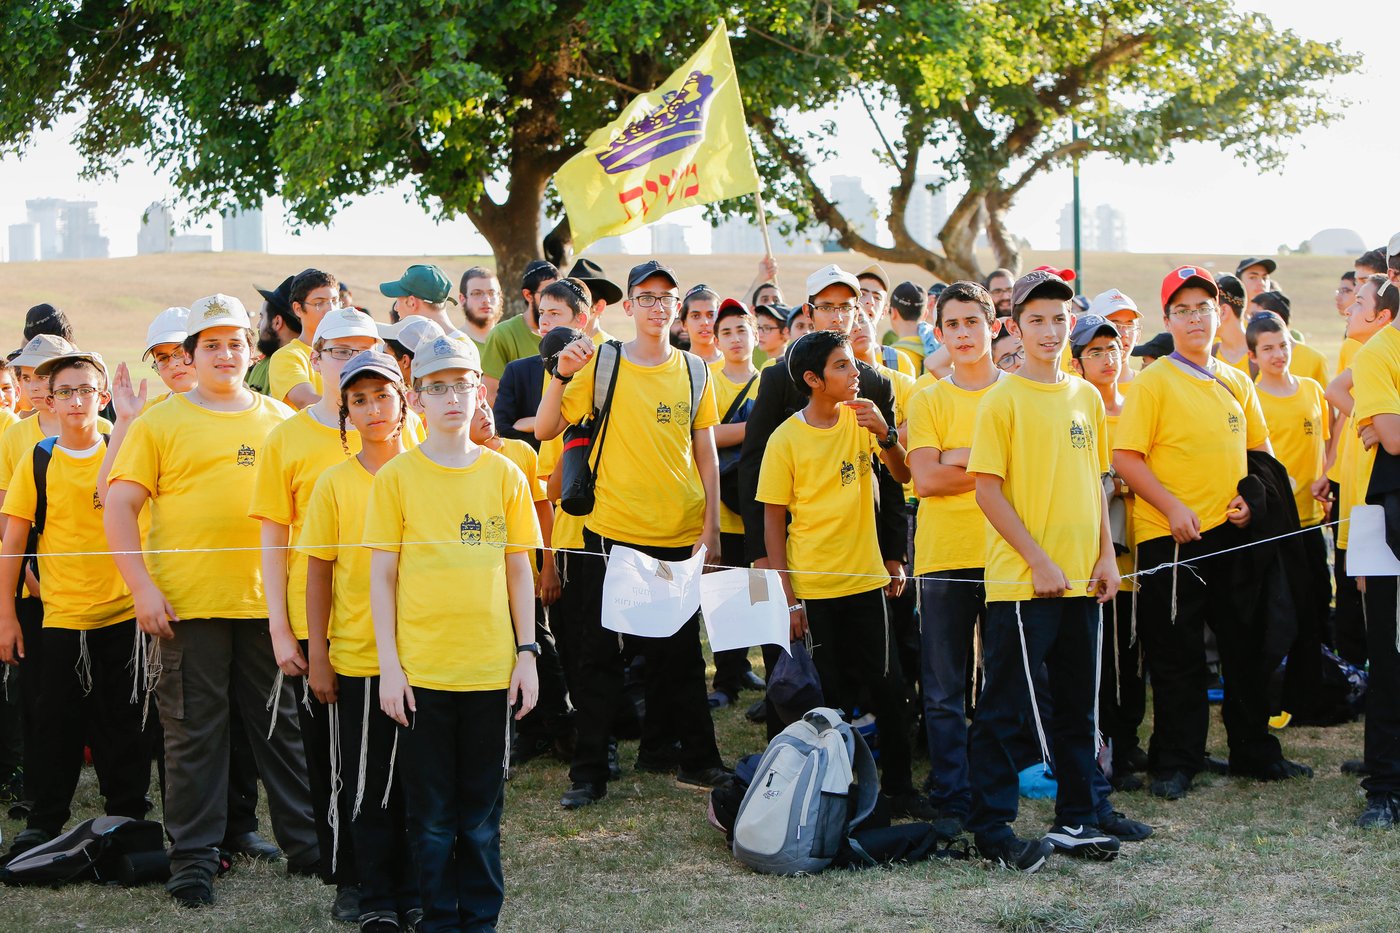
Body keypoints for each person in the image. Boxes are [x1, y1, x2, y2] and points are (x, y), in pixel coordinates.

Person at [105, 294, 317, 907]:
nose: (225, 354)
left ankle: (309, 848)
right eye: (212, 345)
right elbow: (119, 507)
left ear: (252, 352)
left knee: (279, 730)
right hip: (186, 608)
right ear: (191, 355)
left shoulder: (281, 420)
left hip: (267, 609)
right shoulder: (160, 423)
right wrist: (141, 588)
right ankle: (193, 858)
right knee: (193, 734)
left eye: (235, 343)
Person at [535, 259, 730, 809]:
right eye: (645, 297)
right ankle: (589, 772)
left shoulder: (695, 370)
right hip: (610, 533)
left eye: (665, 298)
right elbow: (546, 427)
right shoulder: (603, 362)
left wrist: (711, 526)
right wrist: (560, 376)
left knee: (680, 656)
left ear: (677, 308)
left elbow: (706, 452)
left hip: (677, 531)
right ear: (628, 306)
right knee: (599, 658)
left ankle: (698, 759)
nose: (656, 307)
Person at [1113, 266, 1309, 802]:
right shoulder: (1153, 381)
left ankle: (1253, 750)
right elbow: (1126, 458)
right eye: (1182, 310)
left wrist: (1252, 499)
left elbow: (1260, 453)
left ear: (1219, 313)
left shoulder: (1237, 379)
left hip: (1232, 533)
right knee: (1177, 656)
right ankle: (1177, 759)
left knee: (1246, 646)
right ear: (1168, 320)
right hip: (1170, 536)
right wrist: (1172, 507)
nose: (1194, 318)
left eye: (1203, 307)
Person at [366, 333, 540, 930]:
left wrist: (527, 653)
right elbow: (382, 577)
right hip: (423, 676)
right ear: (416, 399)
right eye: (436, 388)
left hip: (490, 672)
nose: (450, 398)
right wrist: (390, 667)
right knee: (433, 819)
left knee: (481, 818)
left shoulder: (505, 475)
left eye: (461, 385)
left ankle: (481, 921)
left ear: (478, 393)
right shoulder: (396, 478)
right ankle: (439, 919)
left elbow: (519, 569)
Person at [963, 269, 1120, 871]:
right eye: (1036, 320)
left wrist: (1105, 555)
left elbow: (1097, 482)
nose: (1050, 331)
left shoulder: (1085, 397)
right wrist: (1038, 560)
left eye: (1059, 319)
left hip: (1083, 580)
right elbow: (987, 492)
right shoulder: (1001, 400)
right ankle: (993, 830)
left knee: (1080, 708)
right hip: (1024, 586)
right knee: (1007, 710)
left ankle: (1076, 819)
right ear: (1014, 326)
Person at [757, 329, 930, 816]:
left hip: (867, 583)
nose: (855, 372)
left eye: (853, 363)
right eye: (841, 365)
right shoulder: (785, 438)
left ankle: (899, 790)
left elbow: (902, 476)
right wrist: (789, 599)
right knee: (827, 701)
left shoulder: (863, 418)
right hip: (814, 590)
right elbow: (773, 523)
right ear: (813, 380)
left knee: (889, 690)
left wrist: (887, 433)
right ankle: (829, 796)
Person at [249, 306, 385, 922]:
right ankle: (347, 875)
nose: (352, 361)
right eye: (339, 351)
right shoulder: (288, 437)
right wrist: (281, 628)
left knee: (391, 759)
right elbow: (273, 539)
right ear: (316, 358)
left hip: (400, 624)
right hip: (320, 626)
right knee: (332, 761)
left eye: (366, 349)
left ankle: (395, 868)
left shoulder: (400, 426)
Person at [738, 265, 907, 738]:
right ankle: (796, 760)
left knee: (879, 675)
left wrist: (895, 551)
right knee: (802, 677)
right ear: (809, 312)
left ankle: (874, 757)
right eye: (827, 306)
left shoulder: (873, 384)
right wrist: (763, 558)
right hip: (800, 564)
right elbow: (755, 469)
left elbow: (893, 478)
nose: (837, 315)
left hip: (864, 560)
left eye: (846, 306)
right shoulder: (779, 378)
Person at [0, 351, 148, 860]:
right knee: (54, 723)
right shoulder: (37, 459)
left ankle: (126, 814)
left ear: (102, 397)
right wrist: (6, 615)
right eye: (65, 391)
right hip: (61, 617)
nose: (76, 400)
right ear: (49, 399)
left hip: (122, 614)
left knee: (124, 721)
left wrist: (127, 422)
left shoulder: (122, 450)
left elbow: (122, 506)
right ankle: (44, 822)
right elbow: (13, 542)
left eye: (86, 390)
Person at [301, 350, 421, 931]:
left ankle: (413, 887)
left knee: (417, 783)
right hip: (359, 657)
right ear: (345, 413)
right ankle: (367, 889)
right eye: (359, 400)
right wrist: (318, 654)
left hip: (428, 658)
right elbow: (318, 572)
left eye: (382, 396)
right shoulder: (334, 483)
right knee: (365, 780)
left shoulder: (429, 473)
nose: (373, 409)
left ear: (404, 402)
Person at [906, 281, 1003, 831]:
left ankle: (991, 790)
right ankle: (951, 793)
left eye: (973, 322)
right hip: (944, 555)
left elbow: (1032, 472)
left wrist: (958, 459)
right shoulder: (928, 398)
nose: (963, 334)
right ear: (939, 333)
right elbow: (925, 480)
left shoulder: (1017, 394)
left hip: (1009, 553)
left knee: (1000, 684)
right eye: (952, 325)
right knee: (943, 687)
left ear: (994, 326)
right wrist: (993, 468)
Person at [1068, 314, 1147, 784]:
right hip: (1093, 557)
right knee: (1097, 660)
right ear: (1077, 362)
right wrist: (1115, 484)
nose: (1106, 359)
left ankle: (1129, 744)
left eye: (1112, 349)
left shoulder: (1139, 405)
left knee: (1131, 658)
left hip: (1141, 551)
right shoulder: (1073, 410)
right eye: (1094, 351)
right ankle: (1100, 750)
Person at [1247, 312, 1333, 723]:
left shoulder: (1313, 390)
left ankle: (1309, 696)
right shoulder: (1253, 398)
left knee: (1315, 605)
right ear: (1253, 355)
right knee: (1278, 615)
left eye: (1283, 346)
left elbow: (1328, 441)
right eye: (1268, 349)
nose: (1278, 355)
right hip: (1275, 529)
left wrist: (1327, 475)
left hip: (1312, 521)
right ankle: (1269, 698)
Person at [1348, 263, 1400, 829]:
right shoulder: (1379, 351)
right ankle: (1385, 786)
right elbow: (1392, 437)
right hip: (1390, 523)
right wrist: (1386, 429)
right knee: (1390, 657)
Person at [706, 299, 764, 708]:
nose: (735, 339)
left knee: (761, 597)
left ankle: (763, 674)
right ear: (716, 341)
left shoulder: (771, 381)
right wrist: (755, 426)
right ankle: (725, 682)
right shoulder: (707, 380)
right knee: (725, 598)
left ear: (755, 336)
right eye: (726, 332)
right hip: (722, 509)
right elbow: (706, 435)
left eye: (742, 330)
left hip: (763, 510)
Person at [481, 260, 557, 401]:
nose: (555, 300)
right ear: (528, 295)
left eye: (559, 293)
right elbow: (491, 396)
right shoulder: (503, 334)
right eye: (547, 293)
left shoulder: (568, 334)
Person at [270, 268, 339, 410]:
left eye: (334, 301)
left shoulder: (350, 351)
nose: (331, 309)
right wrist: (356, 412)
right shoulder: (287, 356)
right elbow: (306, 401)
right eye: (319, 303)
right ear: (298, 309)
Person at [1248, 291, 1330, 386]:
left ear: (1276, 318)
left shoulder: (1315, 360)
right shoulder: (1252, 354)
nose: (1249, 322)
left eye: (1255, 316)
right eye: (1267, 349)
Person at [250, 275, 300, 396]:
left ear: (277, 322)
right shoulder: (260, 364)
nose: (258, 325)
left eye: (262, 317)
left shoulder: (293, 366)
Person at [1086, 289, 1143, 387]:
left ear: (1138, 335)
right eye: (1114, 325)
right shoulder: (1077, 387)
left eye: (1129, 326)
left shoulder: (1148, 385)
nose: (1124, 333)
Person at [565, 257, 622, 344]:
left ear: (599, 307)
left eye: (577, 301)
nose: (569, 306)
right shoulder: (560, 343)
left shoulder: (610, 349)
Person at [458, 266, 503, 352]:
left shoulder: (510, 343)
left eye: (491, 293)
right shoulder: (453, 344)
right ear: (462, 299)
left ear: (500, 297)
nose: (486, 300)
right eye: (477, 293)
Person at [680, 285, 723, 364]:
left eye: (711, 315)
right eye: (696, 316)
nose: (704, 322)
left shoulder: (734, 363)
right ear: (684, 323)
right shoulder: (678, 366)